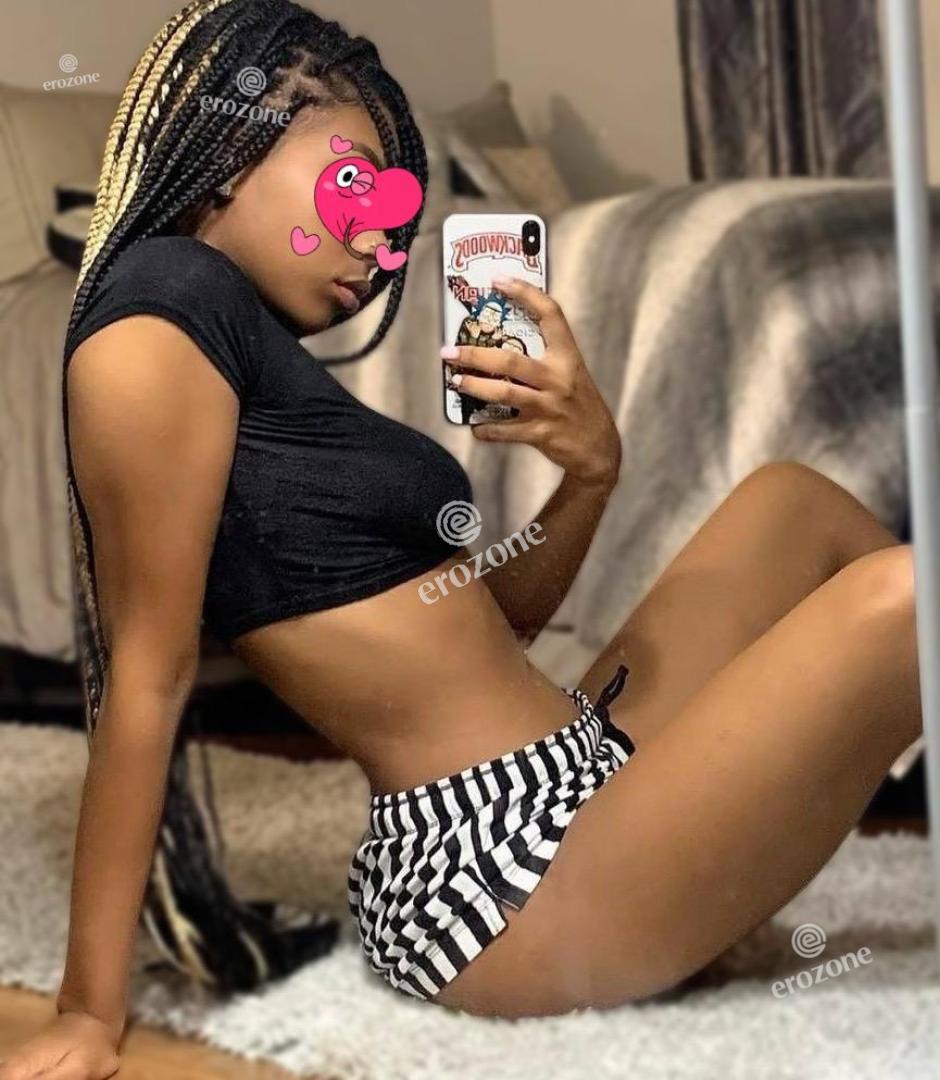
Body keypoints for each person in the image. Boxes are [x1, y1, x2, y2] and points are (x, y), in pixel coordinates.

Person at [1, 0, 922, 1074]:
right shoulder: (154, 321)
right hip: (501, 877)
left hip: (577, 765)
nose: (382, 242)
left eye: (398, 214)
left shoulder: (247, 346)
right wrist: (87, 1013)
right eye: (356, 185)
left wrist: (591, 471)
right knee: (903, 598)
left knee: (788, 501)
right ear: (228, 147)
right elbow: (145, 680)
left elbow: (490, 631)